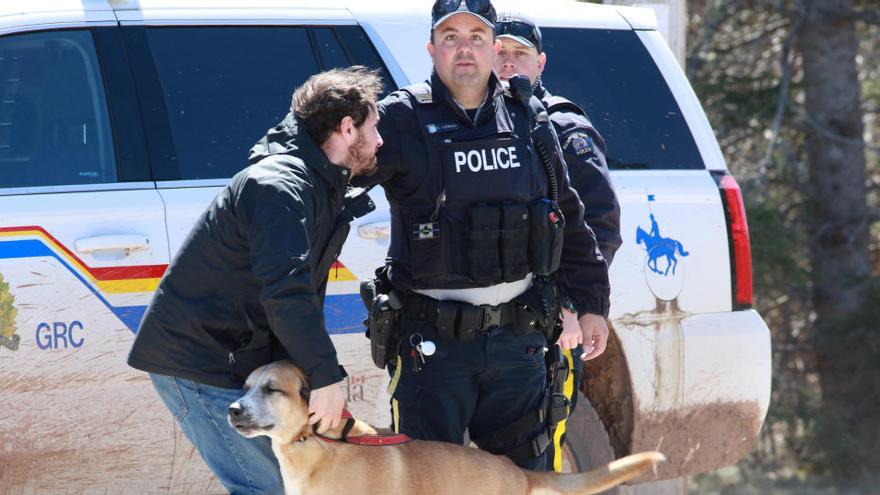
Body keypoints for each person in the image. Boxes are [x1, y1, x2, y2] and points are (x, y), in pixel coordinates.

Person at [354, 0, 610, 471]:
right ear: (432, 49)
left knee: (525, 481)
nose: (464, 49)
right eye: (451, 37)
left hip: (519, 341)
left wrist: (591, 300)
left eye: (477, 37)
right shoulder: (398, 121)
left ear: (494, 48)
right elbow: (327, 174)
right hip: (432, 345)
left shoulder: (529, 117)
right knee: (427, 482)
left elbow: (567, 213)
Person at [127, 66, 384, 494]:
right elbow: (288, 293)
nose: (379, 142)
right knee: (268, 488)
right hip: (200, 361)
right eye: (373, 129)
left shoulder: (318, 182)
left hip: (235, 357)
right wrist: (324, 377)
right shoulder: (278, 187)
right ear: (345, 128)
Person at [493, 12, 623, 471]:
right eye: (500, 52)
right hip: (486, 330)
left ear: (540, 63)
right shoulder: (471, 123)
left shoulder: (563, 128)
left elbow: (600, 227)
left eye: (520, 55)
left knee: (535, 464)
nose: (508, 64)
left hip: (547, 325)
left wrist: (569, 302)